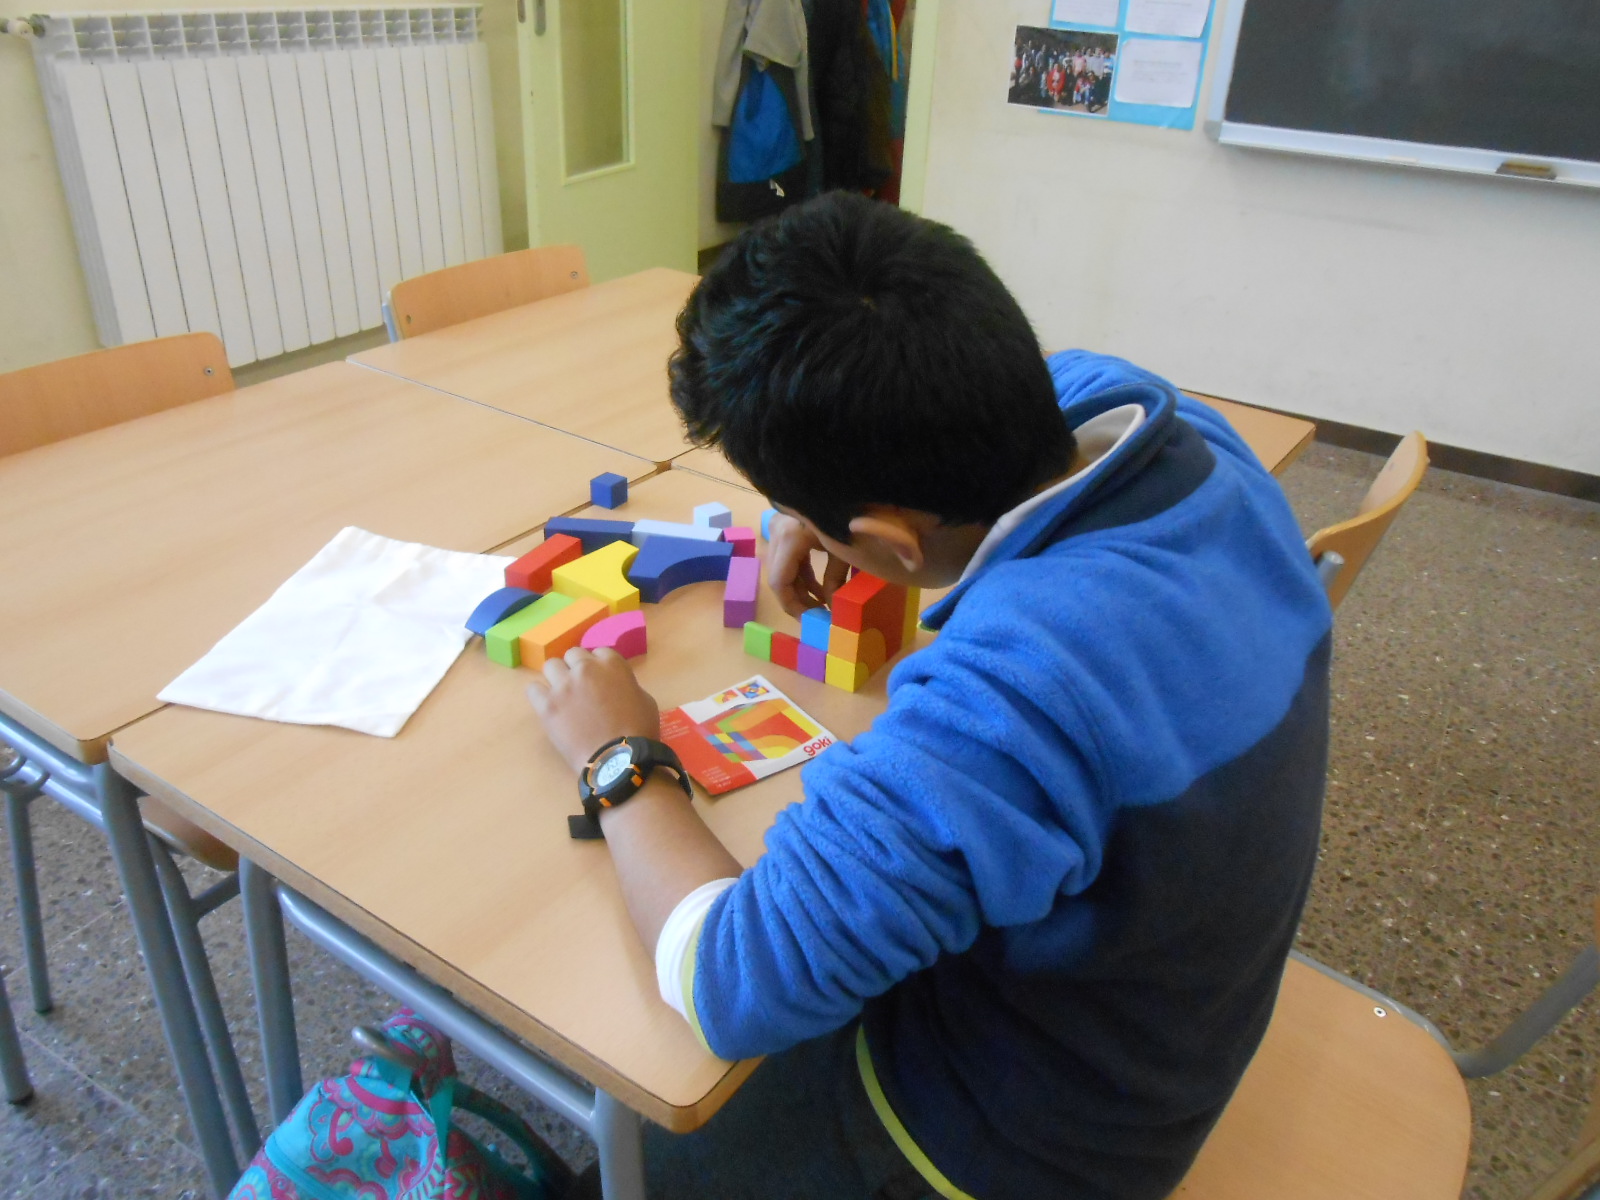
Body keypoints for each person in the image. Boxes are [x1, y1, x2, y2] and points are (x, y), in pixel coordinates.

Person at [527, 192, 1332, 1200]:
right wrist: (813, 511)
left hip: (1023, 1143)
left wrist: (616, 758)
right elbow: (1047, 380)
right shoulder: (1172, 430)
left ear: (891, 540)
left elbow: (732, 984)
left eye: (801, 512)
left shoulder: (1020, 693)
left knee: (632, 1156)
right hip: (1163, 1002)